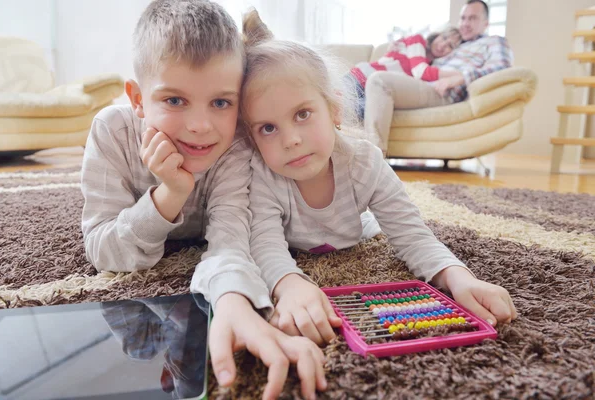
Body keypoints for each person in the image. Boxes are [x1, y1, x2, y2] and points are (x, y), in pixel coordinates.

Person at [80, 1, 325, 399]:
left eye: (221, 102)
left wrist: (231, 299)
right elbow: (102, 250)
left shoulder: (234, 146)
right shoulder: (112, 133)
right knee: (138, 345)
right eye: (174, 100)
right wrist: (169, 194)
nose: (200, 127)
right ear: (138, 98)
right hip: (140, 315)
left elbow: (231, 236)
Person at [240, 9, 518, 347]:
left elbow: (413, 235)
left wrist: (458, 278)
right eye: (268, 128)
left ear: (335, 109)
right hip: (297, 246)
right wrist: (290, 285)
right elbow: (265, 244)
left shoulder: (365, 163)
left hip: (356, 230)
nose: (291, 140)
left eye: (303, 114)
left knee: (376, 226)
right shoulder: (262, 175)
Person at [364, 0, 514, 154]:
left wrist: (461, 78)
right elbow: (422, 62)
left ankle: (374, 159)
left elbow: (502, 67)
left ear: (485, 23)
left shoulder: (494, 41)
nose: (465, 23)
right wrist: (398, 48)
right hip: (424, 84)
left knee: (379, 81)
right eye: (463, 18)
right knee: (371, 90)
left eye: (473, 18)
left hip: (442, 92)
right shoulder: (457, 43)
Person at [347, 27, 462, 122]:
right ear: (438, 35)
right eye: (444, 38)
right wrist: (459, 75)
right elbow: (420, 72)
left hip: (376, 92)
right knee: (337, 107)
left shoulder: (432, 67)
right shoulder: (418, 40)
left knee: (355, 113)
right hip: (360, 78)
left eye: (450, 46)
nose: (442, 45)